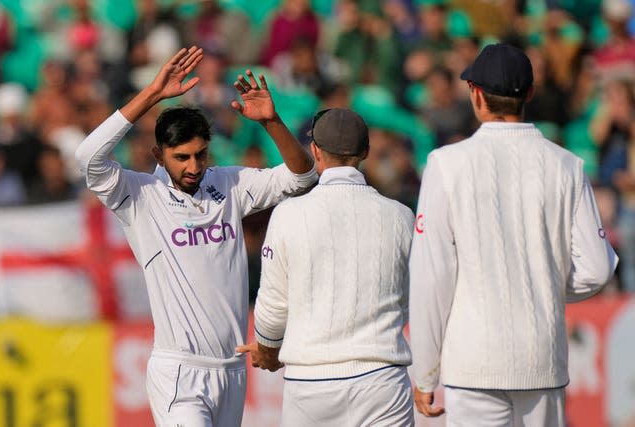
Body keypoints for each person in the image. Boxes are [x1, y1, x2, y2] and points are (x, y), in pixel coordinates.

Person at [75, 46, 317, 426]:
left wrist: (272, 122)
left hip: (233, 372)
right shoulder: (139, 196)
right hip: (180, 373)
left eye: (201, 155)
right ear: (159, 154)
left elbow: (302, 177)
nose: (194, 167)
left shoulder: (229, 184)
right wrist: (153, 94)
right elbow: (88, 158)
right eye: (182, 158)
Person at [409, 43, 619, 425]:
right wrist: (543, 283)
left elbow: (431, 275)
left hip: (472, 361)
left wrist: (424, 371)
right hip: (541, 356)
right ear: (531, 94)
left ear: (475, 94)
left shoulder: (446, 165)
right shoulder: (567, 165)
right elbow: (599, 268)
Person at [236, 108, 415, 426]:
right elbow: (408, 298)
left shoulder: (290, 213)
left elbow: (274, 304)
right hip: (382, 378)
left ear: (315, 150)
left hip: (311, 382)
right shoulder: (401, 216)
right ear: (365, 152)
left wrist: (268, 349)